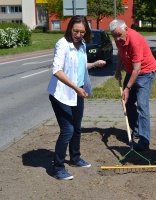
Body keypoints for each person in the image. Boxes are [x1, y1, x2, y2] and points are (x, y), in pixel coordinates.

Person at [47, 15, 106, 180]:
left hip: (77, 92)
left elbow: (79, 66)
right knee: (68, 130)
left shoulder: (82, 45)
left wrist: (94, 64)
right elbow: (57, 70)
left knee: (77, 128)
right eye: (75, 31)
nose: (78, 34)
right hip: (61, 94)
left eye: (81, 31)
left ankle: (75, 158)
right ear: (69, 29)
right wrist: (75, 88)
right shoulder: (62, 44)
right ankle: (57, 168)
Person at [108, 19, 156, 151]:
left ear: (126, 29)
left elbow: (137, 69)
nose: (117, 39)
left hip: (145, 72)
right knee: (127, 102)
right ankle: (136, 129)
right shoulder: (119, 41)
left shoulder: (135, 40)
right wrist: (118, 70)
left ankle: (144, 139)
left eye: (119, 35)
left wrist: (128, 88)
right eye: (114, 36)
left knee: (142, 106)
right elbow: (119, 54)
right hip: (131, 72)